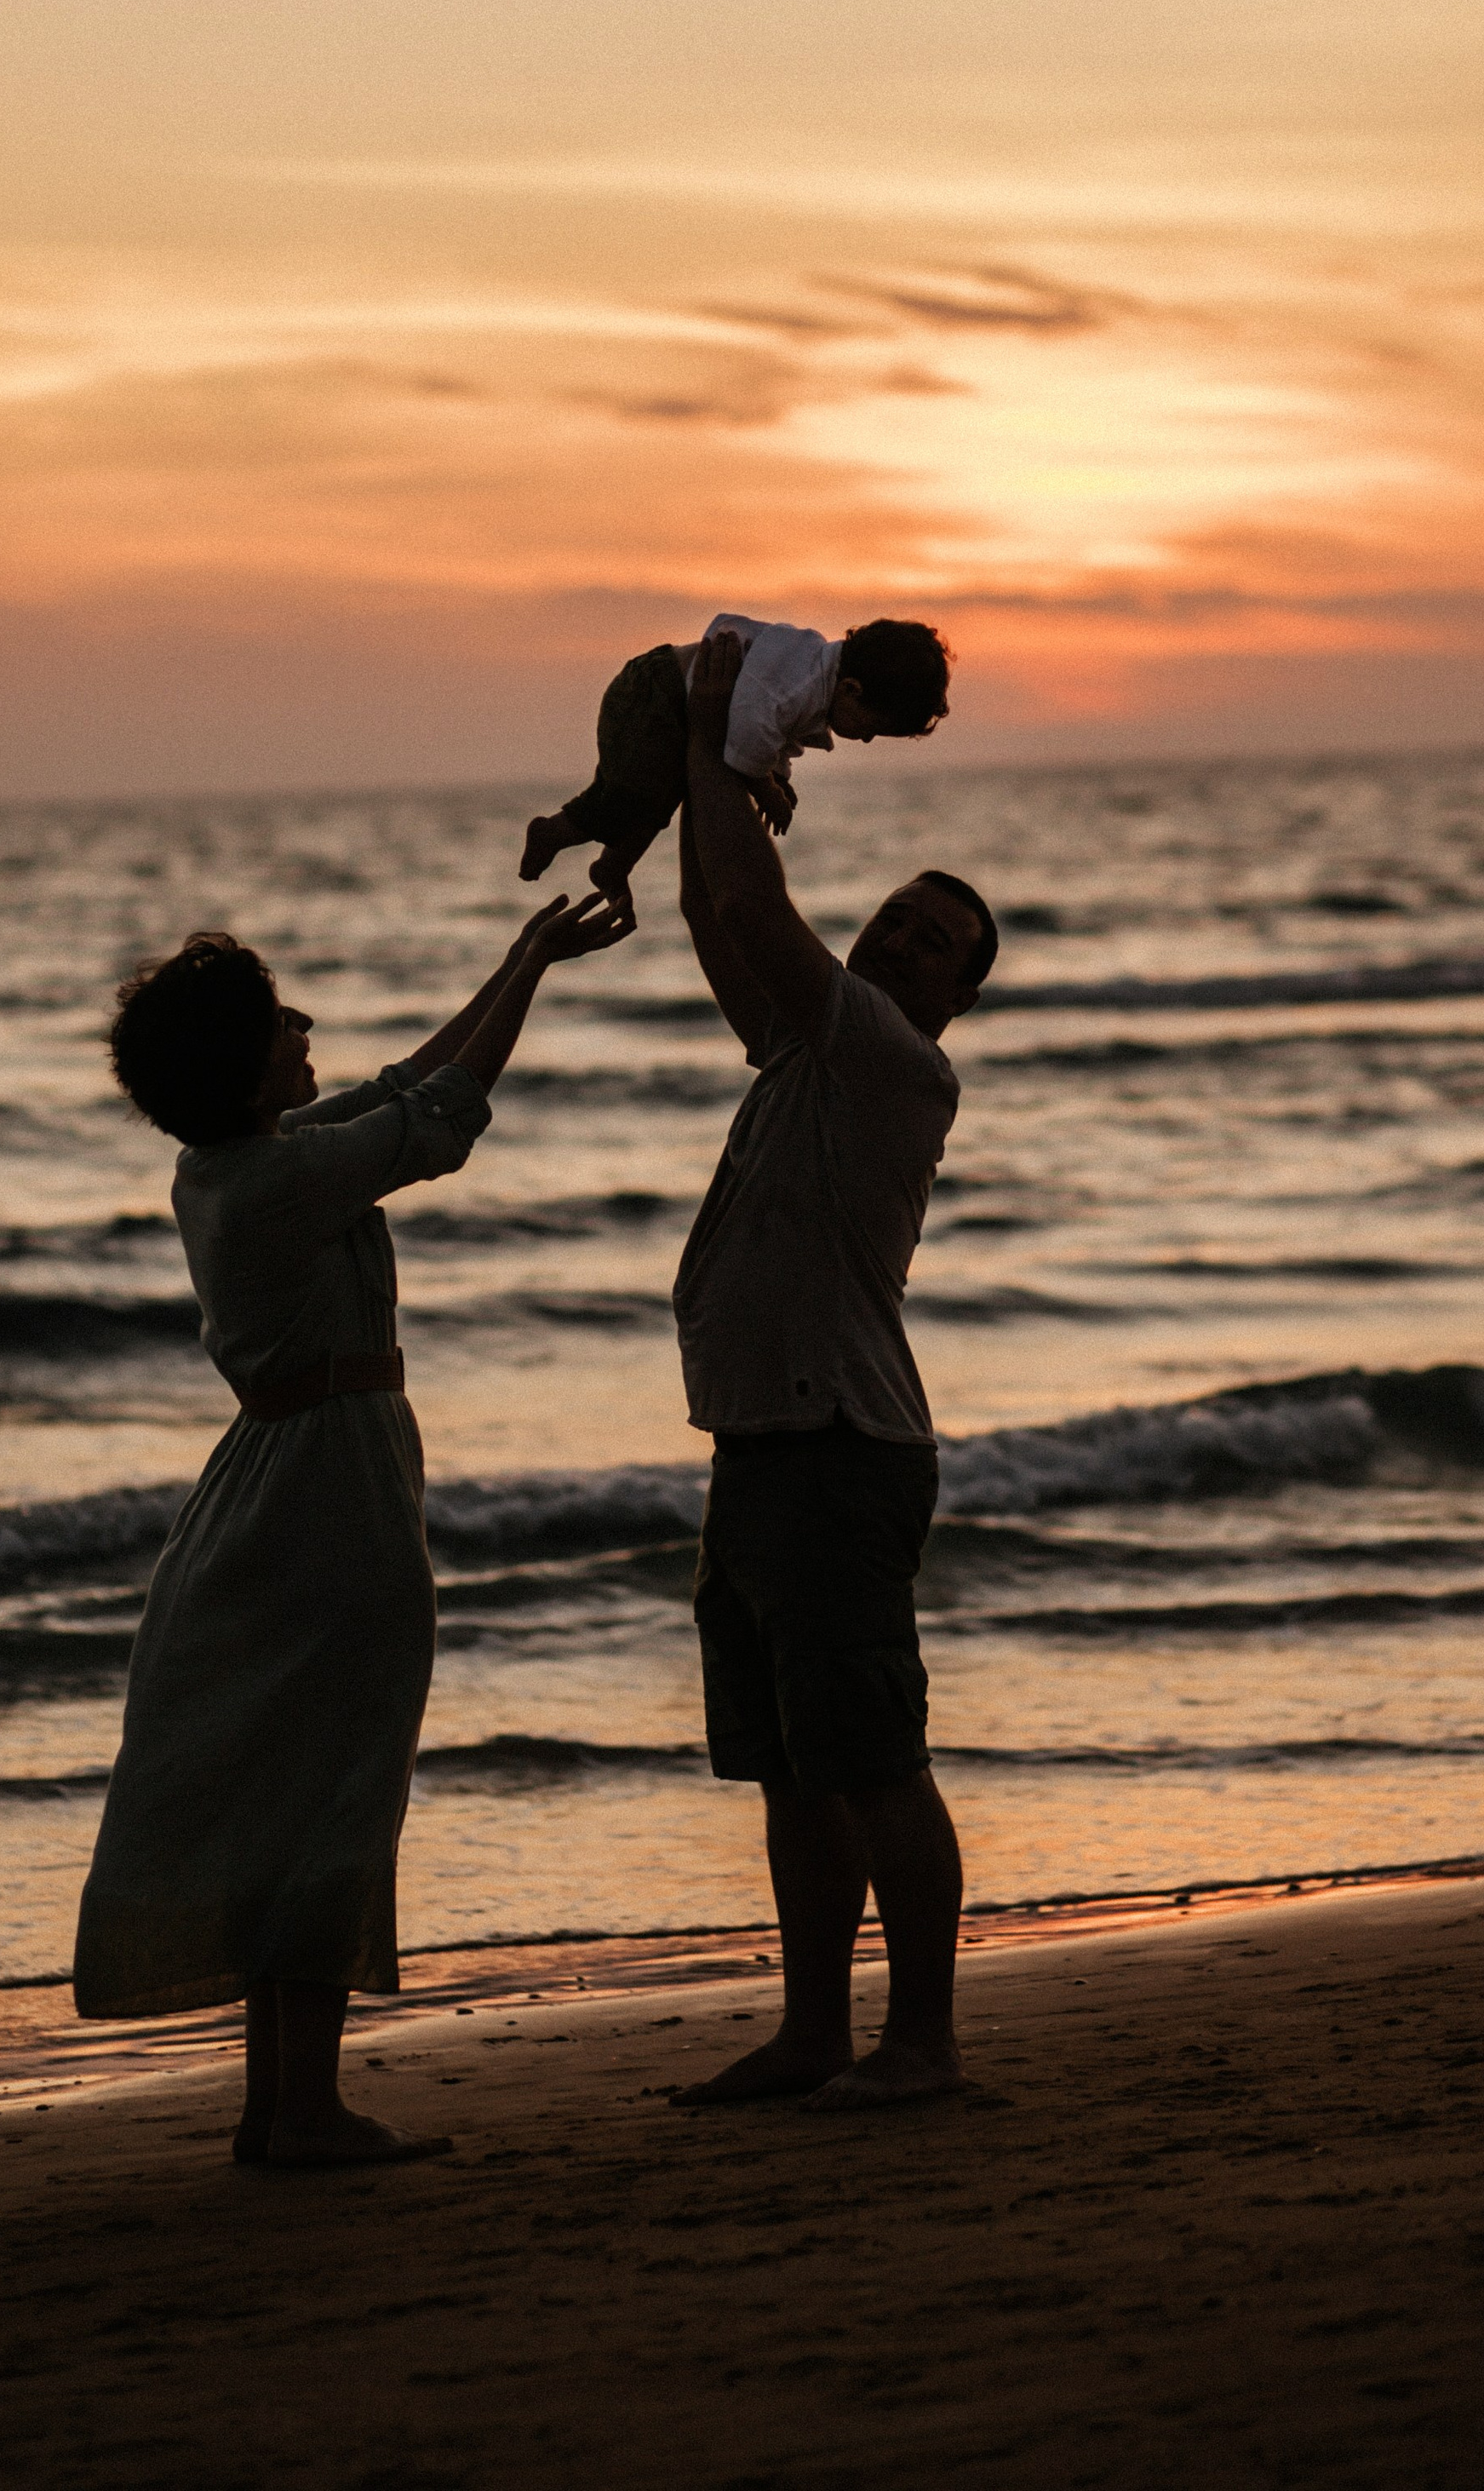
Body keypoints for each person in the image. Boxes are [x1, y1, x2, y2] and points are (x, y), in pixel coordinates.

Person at [73, 888, 631, 2169]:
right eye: (278, 1024)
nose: (302, 1029)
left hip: (280, 1481)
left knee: (295, 1784)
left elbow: (401, 1083)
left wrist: (520, 956)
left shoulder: (231, 1166)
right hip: (328, 1492)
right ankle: (304, 2110)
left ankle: (281, 2108)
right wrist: (533, 972)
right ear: (241, 1064)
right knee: (336, 1784)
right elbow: (437, 1120)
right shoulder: (271, 1181)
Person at [667, 628, 996, 2110]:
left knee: (871, 1762)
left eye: (937, 944)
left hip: (842, 1449)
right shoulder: (807, 1051)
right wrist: (700, 778)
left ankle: (917, 2044)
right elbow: (713, 907)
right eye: (897, 920)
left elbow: (750, 892)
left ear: (950, 999)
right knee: (794, 1773)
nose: (901, 941)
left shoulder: (886, 1057)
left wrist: (712, 729)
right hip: (763, 1443)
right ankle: (812, 2035)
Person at [519, 611, 952, 903]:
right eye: (873, 728)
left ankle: (614, 865)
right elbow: (749, 734)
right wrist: (765, 789)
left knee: (659, 800)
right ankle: (554, 832)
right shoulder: (798, 681)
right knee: (631, 795)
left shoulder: (814, 686)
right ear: (853, 690)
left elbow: (776, 739)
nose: (869, 740)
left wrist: (777, 777)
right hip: (655, 693)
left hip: (672, 703)